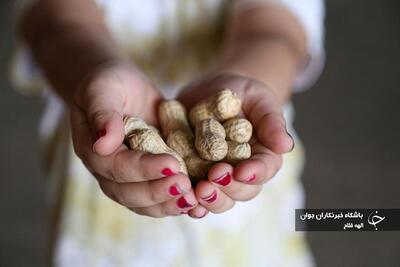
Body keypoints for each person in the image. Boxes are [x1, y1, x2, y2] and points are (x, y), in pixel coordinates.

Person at [12, 0, 325, 266]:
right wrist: (95, 73)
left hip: (249, 199)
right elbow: (52, 23)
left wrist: (247, 82)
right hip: (105, 180)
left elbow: (276, 29)